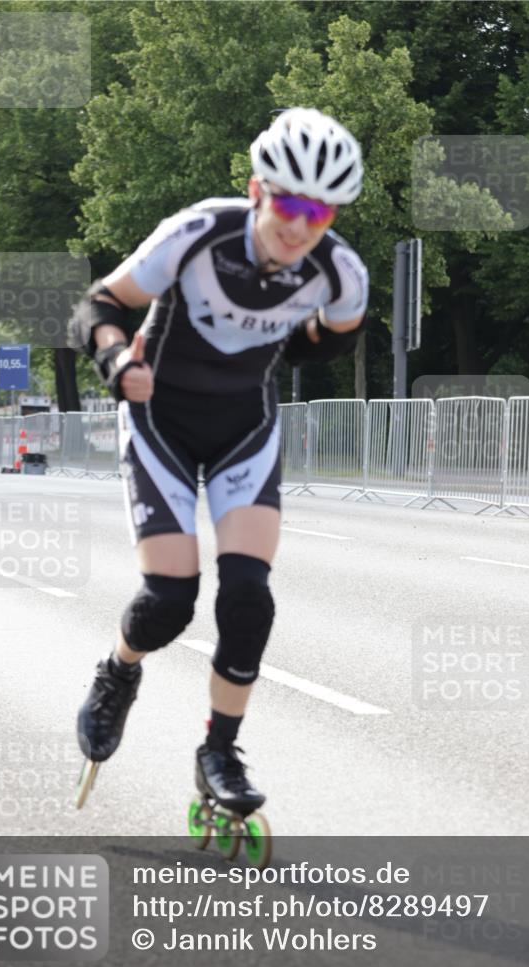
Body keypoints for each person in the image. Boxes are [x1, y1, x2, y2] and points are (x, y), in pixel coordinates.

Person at [68, 107, 369, 820]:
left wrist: (265, 343)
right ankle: (118, 671)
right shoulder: (199, 231)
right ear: (256, 188)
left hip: (243, 428)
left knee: (246, 598)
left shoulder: (341, 271)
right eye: (288, 203)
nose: (299, 226)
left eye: (318, 211)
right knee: (170, 603)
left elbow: (332, 340)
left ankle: (218, 750)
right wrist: (114, 359)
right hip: (159, 421)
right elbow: (98, 304)